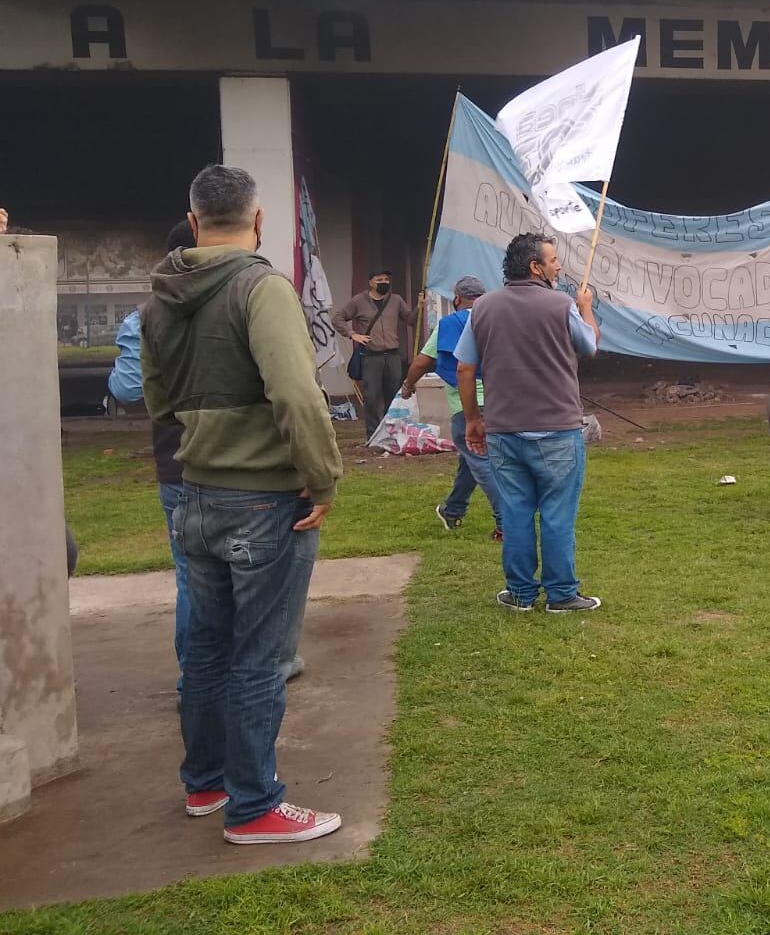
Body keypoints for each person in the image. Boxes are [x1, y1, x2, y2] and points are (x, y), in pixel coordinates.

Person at [142, 164, 343, 844]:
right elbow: (295, 392)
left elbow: (158, 398)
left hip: (192, 489)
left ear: (193, 221)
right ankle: (255, 806)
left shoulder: (160, 296)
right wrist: (323, 477)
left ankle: (205, 784)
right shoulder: (261, 286)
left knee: (205, 648)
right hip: (262, 500)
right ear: (259, 222)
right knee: (258, 657)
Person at [456, 233, 601, 612]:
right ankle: (562, 595)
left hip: (503, 430)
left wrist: (473, 418)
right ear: (536, 267)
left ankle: (520, 594)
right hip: (557, 430)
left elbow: (464, 367)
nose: (558, 266)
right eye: (553, 260)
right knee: (557, 514)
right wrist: (585, 307)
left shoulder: (482, 308)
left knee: (517, 513)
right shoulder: (562, 304)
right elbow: (590, 346)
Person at [400, 275, 503, 541]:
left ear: (457, 298)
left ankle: (506, 522)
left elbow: (422, 362)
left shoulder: (450, 323)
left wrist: (408, 386)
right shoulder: (496, 319)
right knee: (470, 459)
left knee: (480, 461)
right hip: (501, 401)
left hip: (466, 405)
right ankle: (453, 510)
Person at [333, 269, 415, 438]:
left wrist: (421, 306)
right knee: (371, 397)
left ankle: (392, 432)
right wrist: (352, 334)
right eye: (380, 279)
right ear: (371, 282)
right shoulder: (359, 301)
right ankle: (373, 434)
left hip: (392, 355)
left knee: (394, 396)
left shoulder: (396, 300)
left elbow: (411, 320)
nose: (384, 282)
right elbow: (338, 318)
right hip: (371, 356)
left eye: (386, 279)